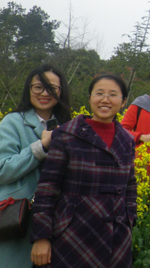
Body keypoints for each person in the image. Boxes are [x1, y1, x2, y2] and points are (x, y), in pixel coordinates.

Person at [30, 74, 136, 268]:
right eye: (99, 93)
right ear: (90, 98)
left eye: (113, 94)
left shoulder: (127, 140)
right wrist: (41, 236)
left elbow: (130, 185)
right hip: (73, 235)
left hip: (117, 237)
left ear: (123, 102)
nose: (105, 99)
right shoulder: (66, 134)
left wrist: (130, 218)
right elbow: (47, 188)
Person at [0, 65, 71, 267]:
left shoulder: (67, 126)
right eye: (38, 87)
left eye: (52, 88)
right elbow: (3, 170)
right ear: (28, 89)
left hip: (56, 223)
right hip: (17, 221)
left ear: (61, 91)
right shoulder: (12, 122)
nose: (45, 93)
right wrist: (41, 147)